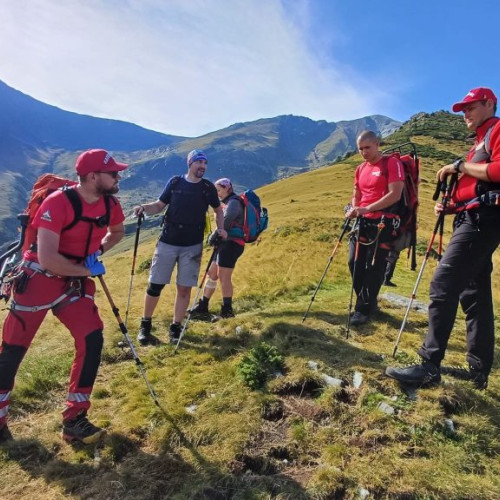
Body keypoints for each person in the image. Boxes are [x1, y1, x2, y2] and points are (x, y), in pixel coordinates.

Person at [0, 149, 127, 444]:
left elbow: (117, 231)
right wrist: (85, 269)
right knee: (13, 351)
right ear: (93, 176)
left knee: (92, 337)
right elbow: (47, 259)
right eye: (113, 173)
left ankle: (75, 419)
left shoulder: (111, 204)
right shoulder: (58, 203)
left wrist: (97, 252)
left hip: (72, 283)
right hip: (39, 280)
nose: (118, 177)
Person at [386, 87, 500, 390]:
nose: (465, 114)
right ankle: (478, 372)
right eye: (463, 109)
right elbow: (479, 187)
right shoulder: (480, 140)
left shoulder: (497, 130)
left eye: (471, 107)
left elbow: (498, 171)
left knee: (443, 284)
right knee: (474, 295)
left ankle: (429, 365)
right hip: (473, 217)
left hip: (483, 221)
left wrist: (460, 166)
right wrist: (452, 206)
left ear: (490, 104)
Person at [134, 150, 225, 346]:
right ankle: (145, 325)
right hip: (167, 241)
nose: (202, 166)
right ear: (190, 163)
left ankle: (175, 328)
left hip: (192, 245)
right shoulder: (175, 183)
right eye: (199, 162)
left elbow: (218, 209)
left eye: (205, 163)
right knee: (155, 285)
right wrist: (144, 208)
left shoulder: (208, 188)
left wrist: (221, 229)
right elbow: (159, 205)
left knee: (184, 289)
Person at [346, 131, 405, 326]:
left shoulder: (391, 163)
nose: (364, 152)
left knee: (375, 267)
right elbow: (357, 193)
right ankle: (369, 303)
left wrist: (367, 208)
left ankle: (363, 310)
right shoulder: (360, 168)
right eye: (360, 148)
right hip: (362, 221)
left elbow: (395, 194)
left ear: (377, 144)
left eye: (367, 147)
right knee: (353, 262)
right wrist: (356, 208)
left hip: (383, 223)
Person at [191, 178, 245, 319]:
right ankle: (203, 306)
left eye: (219, 190)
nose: (217, 193)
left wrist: (213, 236)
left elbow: (226, 221)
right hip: (224, 243)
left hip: (232, 244)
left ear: (227, 188)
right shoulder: (228, 202)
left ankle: (227, 310)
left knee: (224, 276)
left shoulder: (234, 202)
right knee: (212, 273)